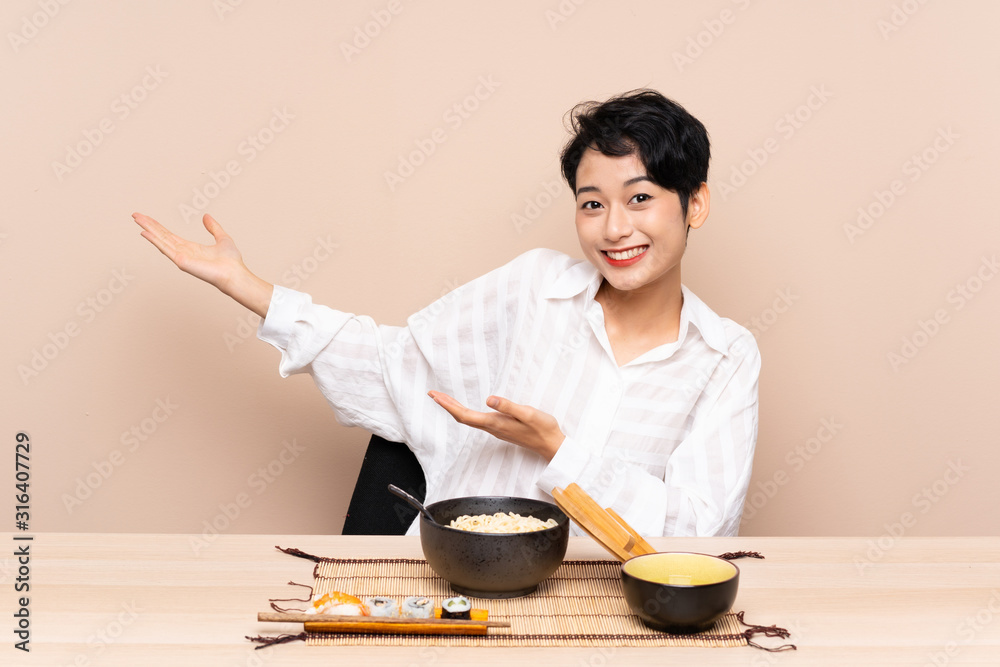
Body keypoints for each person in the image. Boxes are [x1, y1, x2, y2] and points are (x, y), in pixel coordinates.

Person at [132, 89, 760, 537]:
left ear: (694, 204)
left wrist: (557, 448)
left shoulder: (725, 357)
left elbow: (699, 529)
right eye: (591, 204)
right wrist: (247, 286)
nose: (614, 228)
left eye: (641, 198)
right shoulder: (535, 288)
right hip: (453, 585)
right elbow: (391, 364)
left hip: (615, 612)